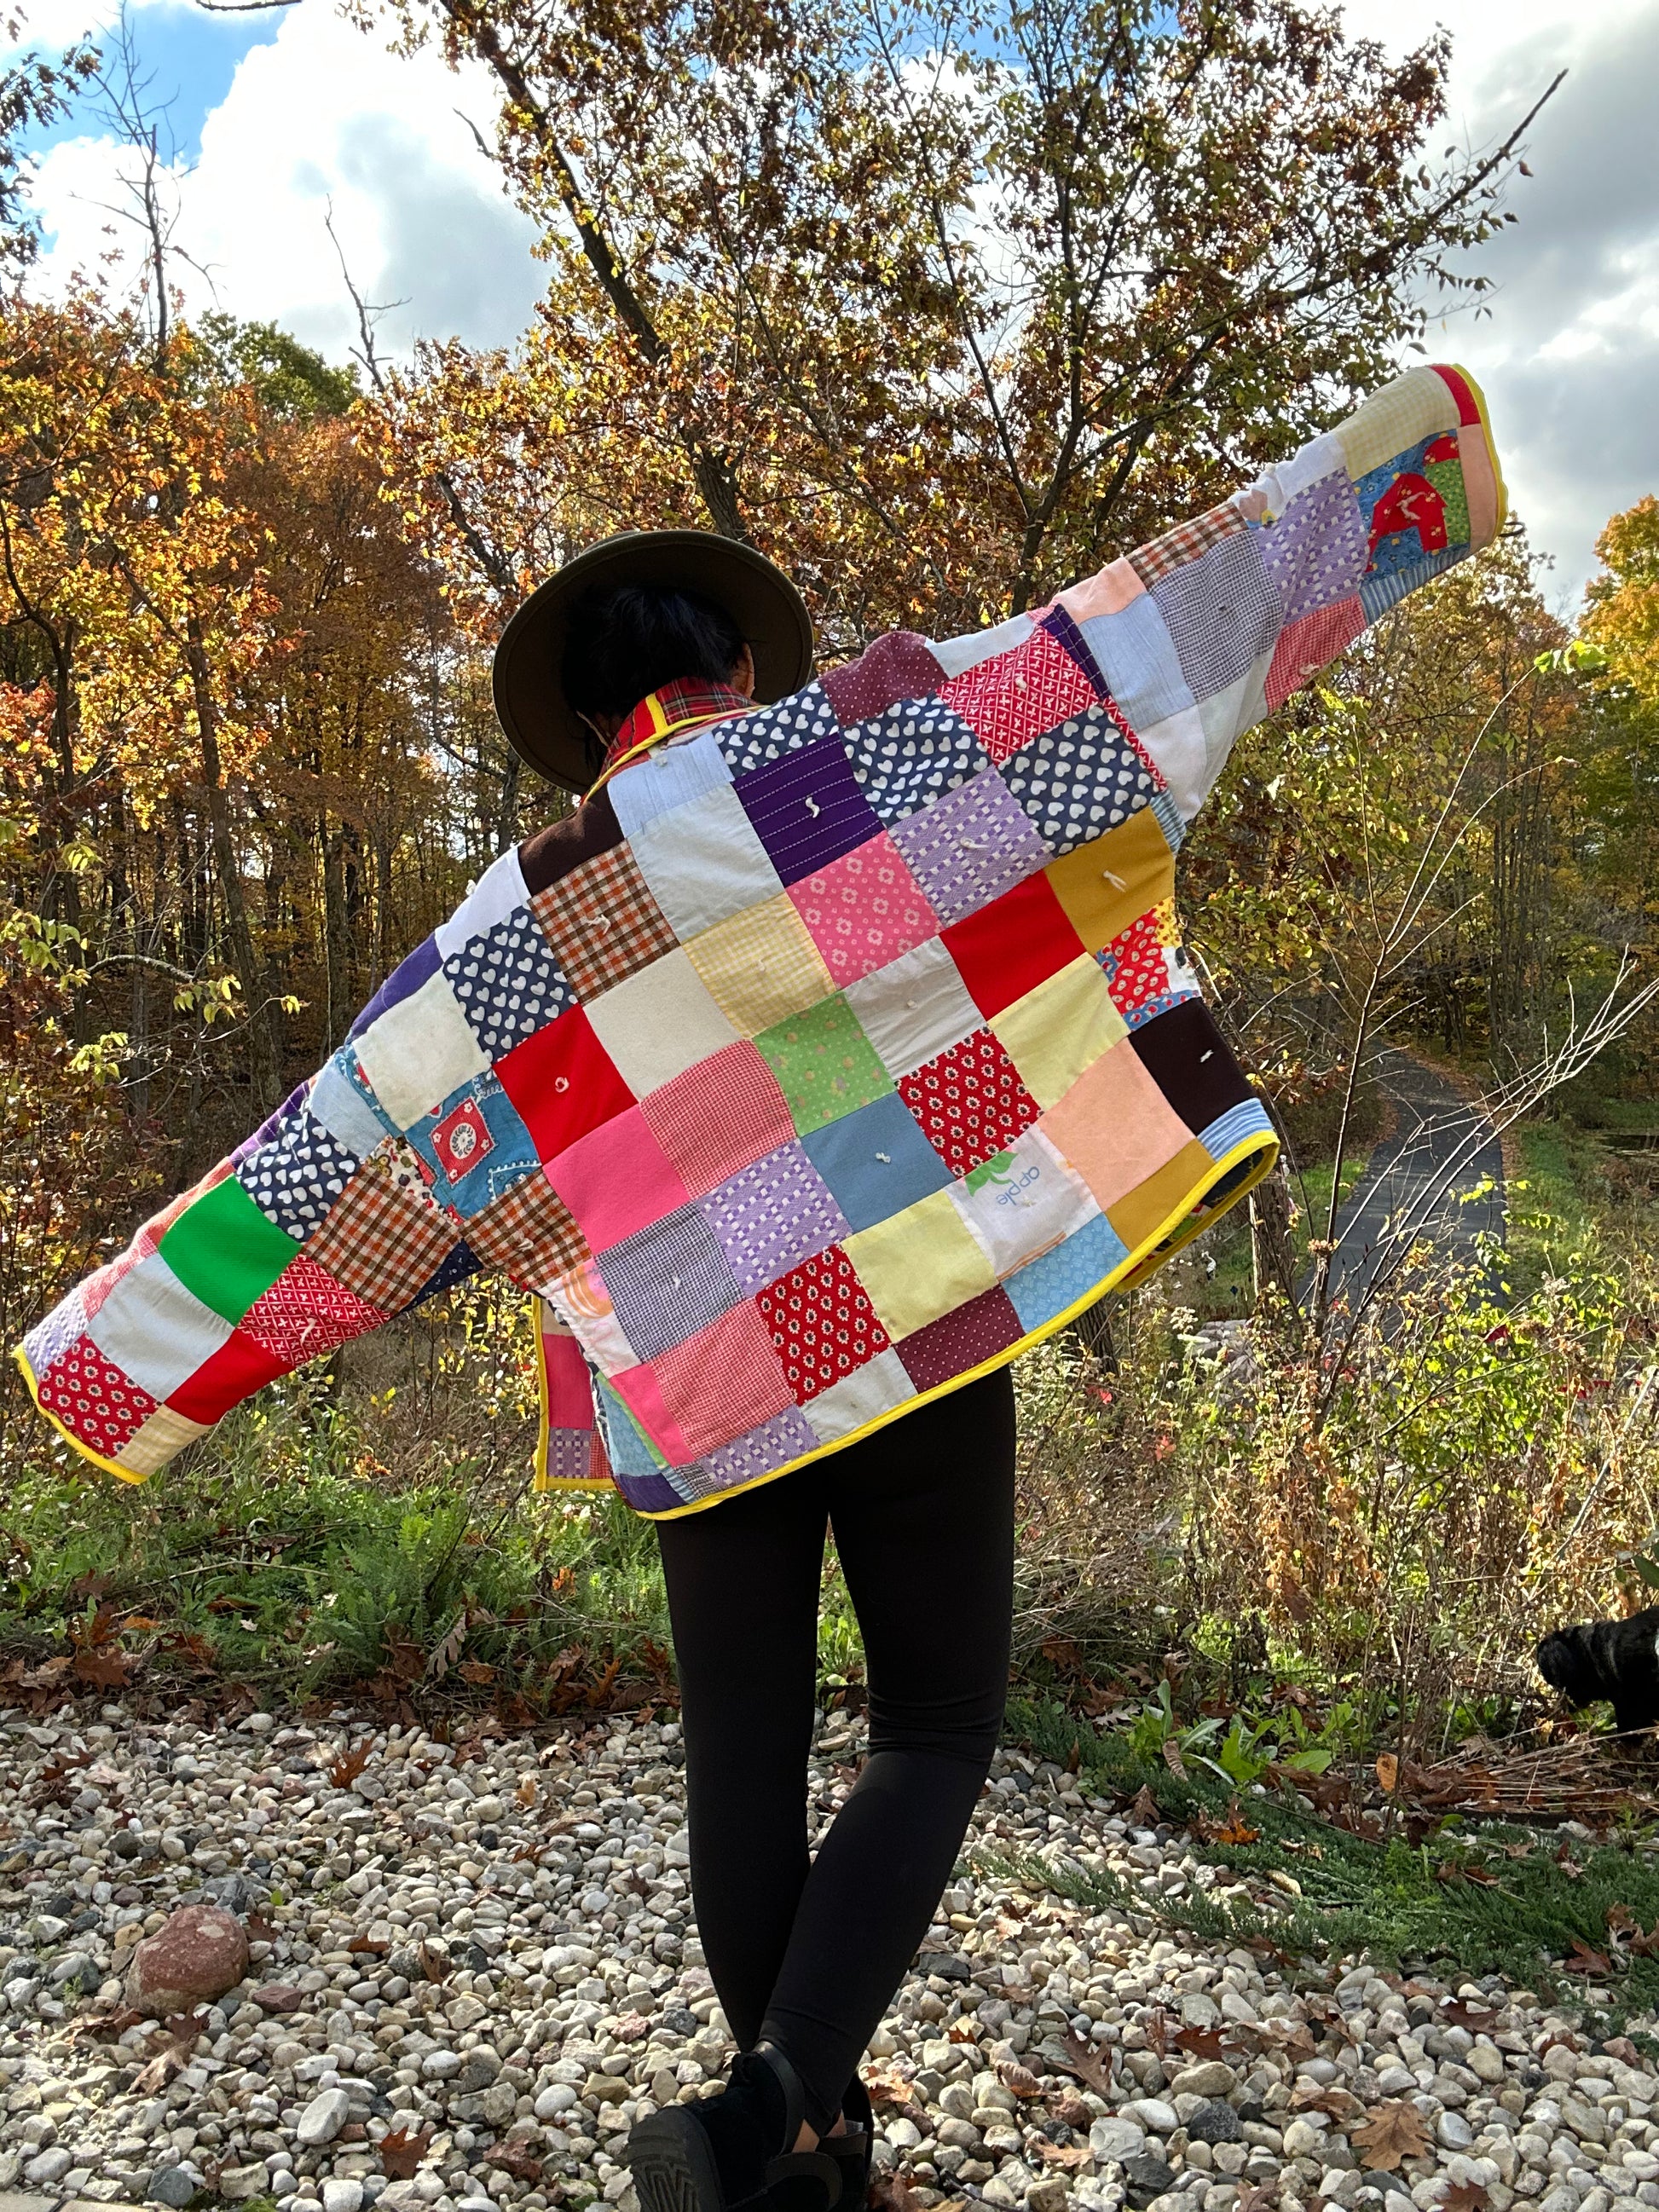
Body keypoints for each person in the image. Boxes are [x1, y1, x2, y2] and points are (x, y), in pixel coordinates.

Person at [16, 367, 1506, 2212]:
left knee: (743, 1753)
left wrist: (110, 1354)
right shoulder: (874, 751)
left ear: (585, 720)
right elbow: (1137, 647)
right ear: (736, 663)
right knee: (933, 1727)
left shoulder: (503, 937)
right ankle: (781, 2102)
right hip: (916, 1312)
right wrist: (1400, 470)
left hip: (702, 1374)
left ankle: (805, 2148)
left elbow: (317, 1173)